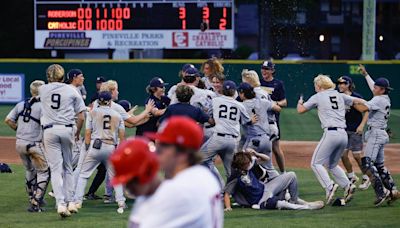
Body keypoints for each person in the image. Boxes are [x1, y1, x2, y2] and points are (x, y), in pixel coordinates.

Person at [144, 116, 223, 227]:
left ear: (181, 151)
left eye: (164, 145)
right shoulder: (205, 176)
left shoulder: (179, 187)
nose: (158, 150)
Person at [297, 74, 362, 204]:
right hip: (343, 134)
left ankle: (329, 186)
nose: (315, 86)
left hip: (331, 133)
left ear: (319, 85)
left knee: (315, 163)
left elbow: (300, 110)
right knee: (332, 164)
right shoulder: (340, 95)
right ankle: (348, 185)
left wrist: (300, 102)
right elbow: (358, 102)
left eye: (316, 84)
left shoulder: (318, 96)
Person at [39, 64, 86, 217]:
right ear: (63, 75)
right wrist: (77, 132)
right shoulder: (72, 90)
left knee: (56, 169)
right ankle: (71, 202)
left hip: (49, 130)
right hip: (67, 128)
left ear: (49, 76)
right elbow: (81, 115)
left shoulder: (43, 89)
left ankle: (60, 203)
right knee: (68, 167)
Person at [354, 64, 400, 206]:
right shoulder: (383, 97)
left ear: (382, 90)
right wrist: (366, 74)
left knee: (367, 163)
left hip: (376, 134)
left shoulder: (378, 100)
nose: (373, 88)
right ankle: (393, 189)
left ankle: (382, 193)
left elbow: (362, 108)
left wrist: (350, 100)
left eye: (376, 88)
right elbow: (373, 86)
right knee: (379, 166)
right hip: (380, 134)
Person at [74, 91, 127, 212]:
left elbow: (88, 133)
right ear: (110, 102)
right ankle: (121, 202)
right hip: (110, 147)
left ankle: (77, 201)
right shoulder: (117, 115)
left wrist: (87, 148)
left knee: (83, 175)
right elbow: (122, 137)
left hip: (95, 145)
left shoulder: (92, 113)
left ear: (98, 101)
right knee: (116, 176)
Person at [223, 149, 324, 211]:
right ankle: (306, 208)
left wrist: (256, 154)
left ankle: (295, 201)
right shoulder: (235, 176)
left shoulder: (248, 164)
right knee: (279, 203)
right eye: (246, 164)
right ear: (239, 165)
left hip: (266, 188)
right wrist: (228, 207)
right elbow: (227, 193)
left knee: (291, 175)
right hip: (259, 200)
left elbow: (266, 159)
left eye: (249, 162)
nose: (249, 164)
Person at [5, 80, 50, 212]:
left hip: (20, 143)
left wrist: (19, 130)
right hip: (34, 144)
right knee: (43, 171)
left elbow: (8, 120)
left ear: (31, 91)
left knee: (30, 170)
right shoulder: (44, 106)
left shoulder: (21, 104)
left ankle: (31, 197)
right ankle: (36, 202)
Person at [200, 80, 256, 185]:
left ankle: (219, 186)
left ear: (222, 90)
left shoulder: (215, 100)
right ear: (234, 91)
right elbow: (248, 121)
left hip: (218, 138)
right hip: (232, 141)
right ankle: (233, 193)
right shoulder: (239, 105)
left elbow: (209, 116)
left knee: (199, 159)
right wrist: (252, 120)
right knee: (231, 171)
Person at [109, 137, 161, 227]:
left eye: (132, 181)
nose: (128, 188)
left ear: (149, 170)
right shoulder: (142, 199)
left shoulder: (172, 201)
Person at [242, 69, 285, 172]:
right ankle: (280, 175)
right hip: (270, 125)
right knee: (271, 153)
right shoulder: (263, 92)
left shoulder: (254, 93)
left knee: (246, 156)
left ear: (248, 81)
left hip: (263, 128)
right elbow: (276, 108)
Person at [238, 82, 281, 179]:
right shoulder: (263, 102)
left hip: (253, 141)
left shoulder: (241, 106)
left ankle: (245, 189)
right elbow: (278, 108)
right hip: (267, 139)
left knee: (242, 164)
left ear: (242, 93)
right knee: (269, 167)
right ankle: (285, 189)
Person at [336, 76, 370, 188]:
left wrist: (361, 125)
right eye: (339, 83)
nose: (340, 85)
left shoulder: (356, 97)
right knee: (343, 154)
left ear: (349, 84)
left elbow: (366, 110)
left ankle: (366, 176)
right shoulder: (337, 96)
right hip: (343, 130)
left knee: (357, 155)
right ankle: (351, 177)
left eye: (343, 83)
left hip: (355, 129)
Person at [259, 61, 287, 173]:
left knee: (275, 147)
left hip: (272, 119)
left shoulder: (278, 84)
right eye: (263, 68)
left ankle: (283, 172)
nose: (264, 71)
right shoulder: (258, 82)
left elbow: (284, 102)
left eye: (267, 69)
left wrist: (275, 103)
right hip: (259, 119)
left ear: (272, 71)